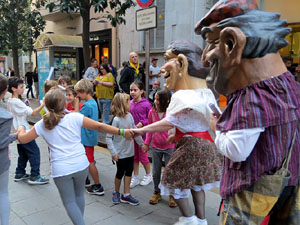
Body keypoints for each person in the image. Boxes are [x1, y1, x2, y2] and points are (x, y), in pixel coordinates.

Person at [195, 0, 300, 224]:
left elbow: (236, 150)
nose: (205, 57)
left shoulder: (252, 97)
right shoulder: (290, 85)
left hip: (253, 186)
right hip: (289, 179)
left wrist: (217, 129)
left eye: (211, 43)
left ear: (232, 43)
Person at [133, 40, 221, 225]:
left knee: (172, 180)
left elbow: (166, 123)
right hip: (206, 145)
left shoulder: (181, 95)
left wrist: (140, 129)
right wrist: (177, 134)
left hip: (190, 146)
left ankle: (189, 220)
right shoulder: (207, 92)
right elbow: (205, 119)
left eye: (168, 59)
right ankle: (201, 220)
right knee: (197, 185)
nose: (163, 67)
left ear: (181, 62)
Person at [17, 89, 133, 225]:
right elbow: (100, 126)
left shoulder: (42, 124)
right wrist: (121, 131)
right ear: (64, 103)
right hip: (81, 165)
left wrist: (21, 129)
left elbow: (23, 139)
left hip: (61, 170)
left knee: (69, 201)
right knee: (79, 196)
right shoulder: (75, 117)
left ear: (47, 105)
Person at [7, 78, 49, 185]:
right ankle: (35, 175)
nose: (23, 89)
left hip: (17, 131)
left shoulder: (10, 101)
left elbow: (23, 112)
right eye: (21, 87)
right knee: (34, 152)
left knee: (23, 153)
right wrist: (43, 104)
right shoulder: (16, 102)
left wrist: (26, 106)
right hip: (24, 131)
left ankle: (19, 173)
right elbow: (33, 113)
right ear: (13, 89)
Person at [106, 93, 144, 205]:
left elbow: (134, 132)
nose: (130, 103)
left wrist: (142, 144)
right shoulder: (116, 120)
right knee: (120, 172)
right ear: (122, 104)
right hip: (120, 153)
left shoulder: (130, 116)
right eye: (128, 101)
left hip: (130, 152)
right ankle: (116, 192)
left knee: (129, 172)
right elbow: (108, 137)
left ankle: (126, 194)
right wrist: (113, 153)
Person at [143, 89, 177, 207]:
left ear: (165, 100)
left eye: (158, 99)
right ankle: (157, 192)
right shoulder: (152, 112)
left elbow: (176, 129)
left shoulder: (171, 113)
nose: (156, 101)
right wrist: (147, 143)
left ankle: (172, 194)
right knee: (156, 172)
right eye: (155, 98)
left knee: (170, 172)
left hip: (170, 147)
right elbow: (149, 129)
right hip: (156, 147)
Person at [74, 79, 103, 195]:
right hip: (90, 136)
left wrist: (76, 105)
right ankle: (87, 180)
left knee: (90, 161)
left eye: (78, 93)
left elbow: (76, 118)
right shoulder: (93, 103)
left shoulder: (86, 105)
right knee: (88, 159)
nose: (77, 96)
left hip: (86, 138)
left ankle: (98, 185)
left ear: (84, 91)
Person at [0, 74, 18, 225]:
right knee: (3, 194)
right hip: (1, 162)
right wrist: (15, 136)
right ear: (5, 90)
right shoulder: (4, 116)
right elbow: (1, 141)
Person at [129, 81, 152, 188]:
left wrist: (143, 123)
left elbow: (151, 119)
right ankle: (136, 176)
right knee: (134, 157)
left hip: (142, 136)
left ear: (141, 91)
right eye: (131, 90)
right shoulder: (129, 103)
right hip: (132, 135)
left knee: (143, 157)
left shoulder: (147, 104)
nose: (132, 92)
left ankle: (148, 175)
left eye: (135, 90)